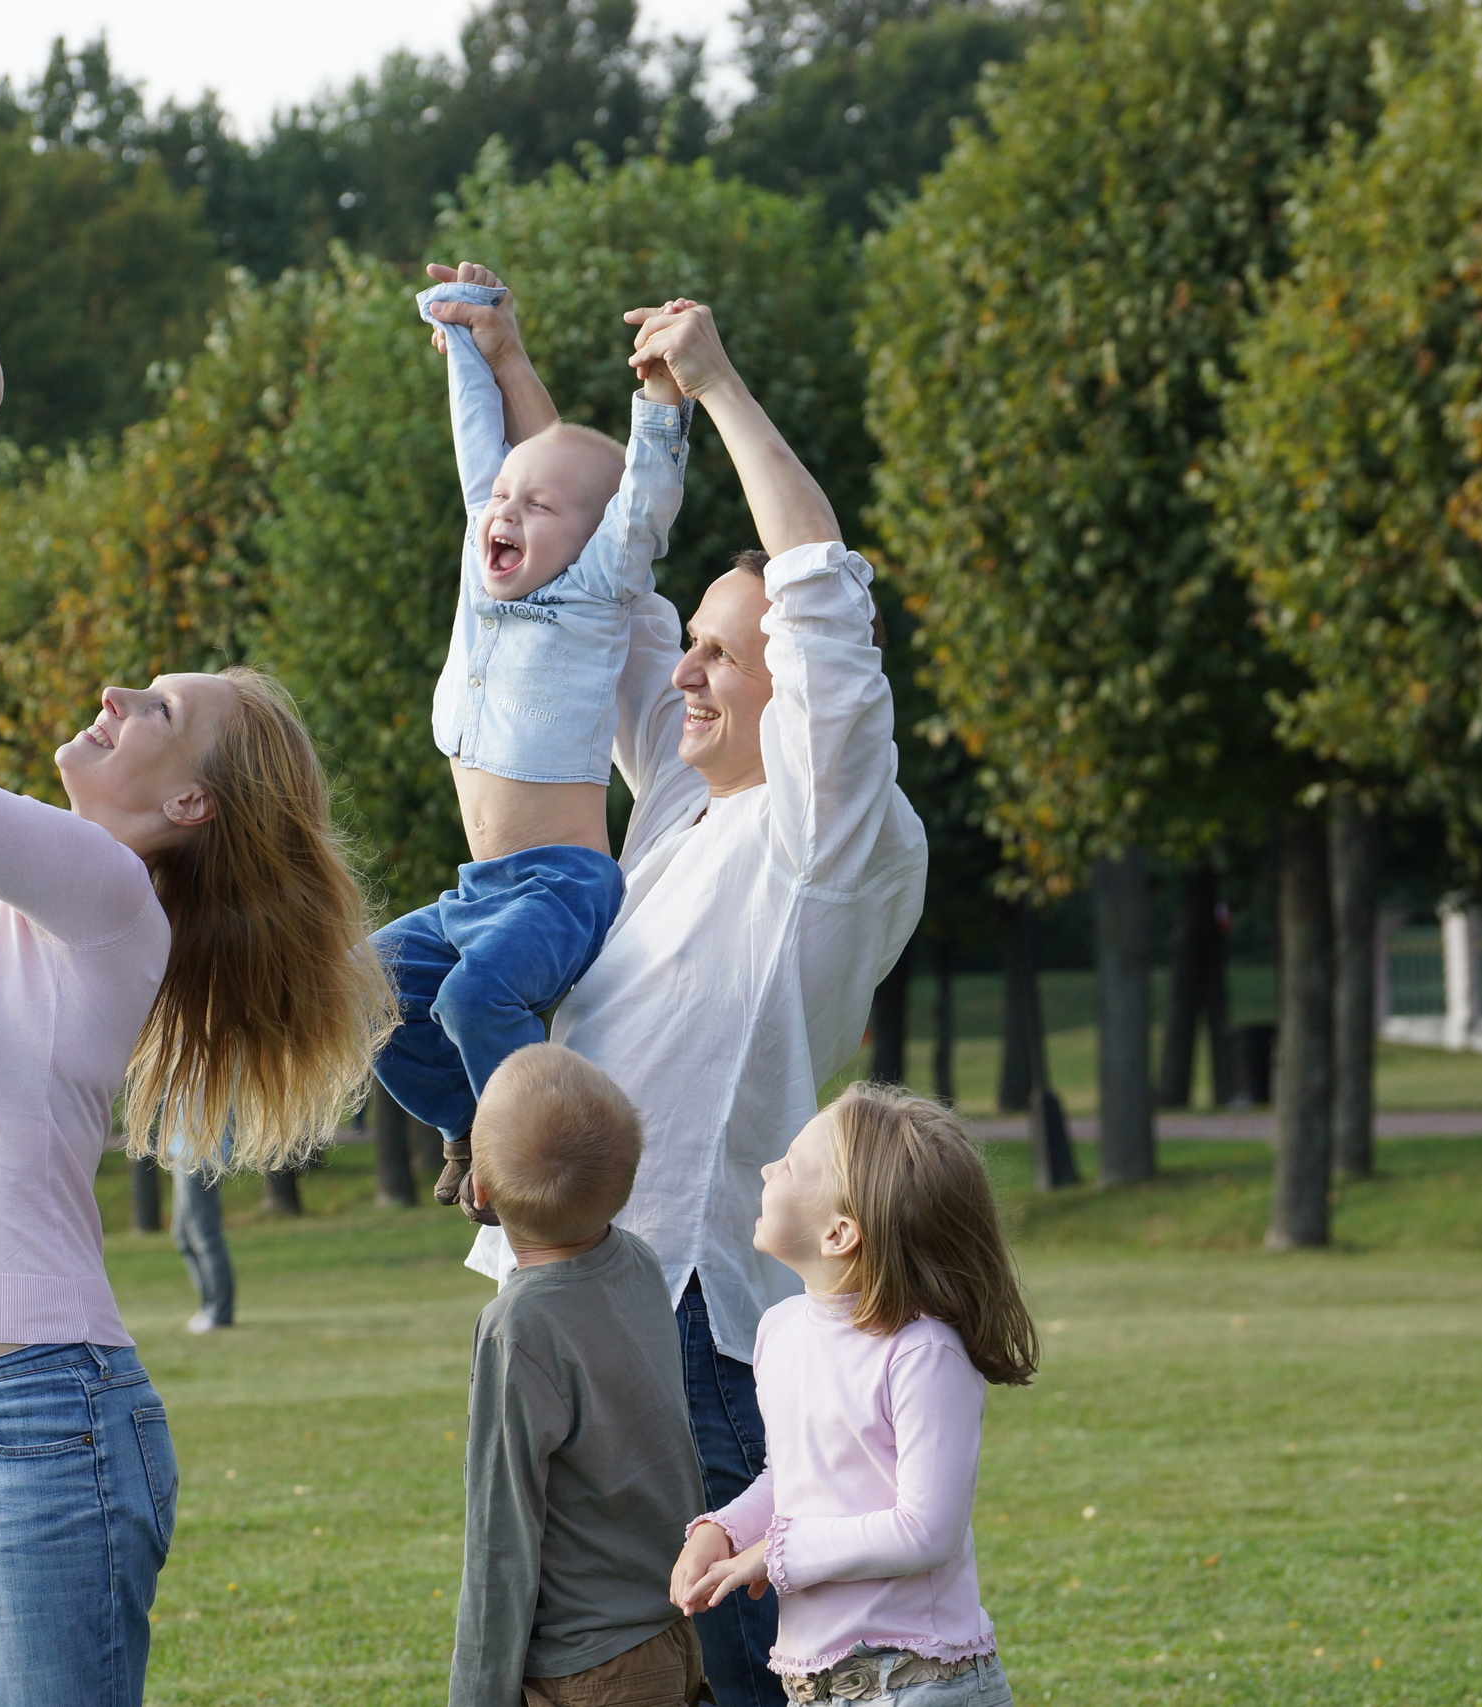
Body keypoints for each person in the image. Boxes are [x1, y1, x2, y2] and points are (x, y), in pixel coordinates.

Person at [0, 401, 394, 1704]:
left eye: (150, 705)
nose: (110, 693)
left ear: (186, 805)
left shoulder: (109, 893)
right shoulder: (7, 903)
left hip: (41, 1424)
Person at [463, 299, 927, 1706]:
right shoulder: (677, 804)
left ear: (799, 690)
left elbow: (821, 584)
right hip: (561, 1278)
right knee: (594, 1660)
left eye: (727, 652)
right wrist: (510, 375)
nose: (690, 671)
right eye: (700, 651)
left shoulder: (831, 836)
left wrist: (717, 383)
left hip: (692, 1318)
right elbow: (602, 593)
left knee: (734, 1668)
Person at [374, 262, 693, 1211]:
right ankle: (472, 1127)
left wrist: (663, 400)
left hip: (562, 885)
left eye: (539, 506)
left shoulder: (598, 592)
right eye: (505, 497)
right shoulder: (487, 555)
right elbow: (483, 445)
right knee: (369, 989)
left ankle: (537, 1157)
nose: (506, 509)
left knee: (474, 1001)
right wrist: (468, 343)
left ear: (594, 539)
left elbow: (643, 501)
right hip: (478, 893)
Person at [671, 1085, 1034, 1706]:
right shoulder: (780, 1331)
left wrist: (776, 1555)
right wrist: (726, 1531)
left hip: (919, 1683)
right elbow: (794, 1478)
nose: (767, 1169)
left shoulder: (922, 1353)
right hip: (818, 1686)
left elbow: (926, 1531)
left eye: (789, 1164)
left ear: (840, 1233)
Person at [453, 1044, 708, 1707]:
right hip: (671, 1635)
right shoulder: (640, 1265)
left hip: (587, 1668)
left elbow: (500, 1533)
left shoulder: (518, 1325)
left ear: (477, 1189)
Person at [171, 1127, 236, 1335]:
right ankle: (208, 1306)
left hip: (200, 1156)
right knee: (183, 1237)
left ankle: (219, 1311)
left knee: (205, 1237)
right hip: (182, 1154)